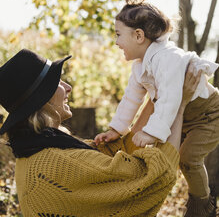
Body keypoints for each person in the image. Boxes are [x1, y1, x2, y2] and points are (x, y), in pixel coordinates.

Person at [0, 48, 199, 217]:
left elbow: (113, 155)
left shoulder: (37, 151)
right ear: (41, 99)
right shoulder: (57, 163)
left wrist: (159, 96)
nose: (68, 87)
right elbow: (151, 177)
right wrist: (179, 105)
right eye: (58, 83)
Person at [94, 0, 219, 217]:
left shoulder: (167, 58)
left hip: (209, 114)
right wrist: (117, 129)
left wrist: (152, 132)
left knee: (188, 158)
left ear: (139, 35)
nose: (116, 42)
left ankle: (202, 205)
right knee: (170, 157)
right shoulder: (140, 66)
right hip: (184, 116)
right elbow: (131, 98)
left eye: (118, 35)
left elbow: (170, 98)